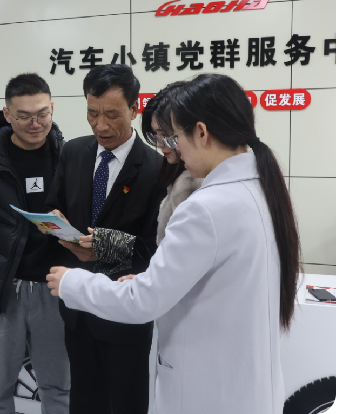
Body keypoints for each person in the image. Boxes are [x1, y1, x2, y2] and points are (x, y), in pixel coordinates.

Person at [48, 74, 301, 414]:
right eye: (93, 113)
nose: (173, 148)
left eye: (175, 136)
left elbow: (144, 301)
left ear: (201, 132)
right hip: (241, 381)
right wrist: (156, 281)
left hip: (206, 386)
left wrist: (72, 282)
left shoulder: (203, 208)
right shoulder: (261, 188)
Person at [45, 64, 166, 414]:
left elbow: (157, 248)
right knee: (84, 400)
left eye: (111, 114)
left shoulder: (158, 169)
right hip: (77, 309)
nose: (100, 125)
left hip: (125, 311)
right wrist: (55, 225)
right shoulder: (73, 152)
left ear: (134, 108)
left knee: (125, 403)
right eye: (92, 113)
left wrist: (103, 247)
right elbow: (54, 205)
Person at [0, 73, 70, 414]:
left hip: (55, 287)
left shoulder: (70, 156)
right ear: (7, 114)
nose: (35, 124)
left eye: (42, 114)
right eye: (24, 116)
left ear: (52, 107)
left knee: (60, 386)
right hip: (2, 288)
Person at [78, 85, 203, 265]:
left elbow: (183, 258)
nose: (160, 144)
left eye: (167, 136)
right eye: (155, 136)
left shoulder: (196, 183)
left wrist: (113, 243)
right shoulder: (172, 171)